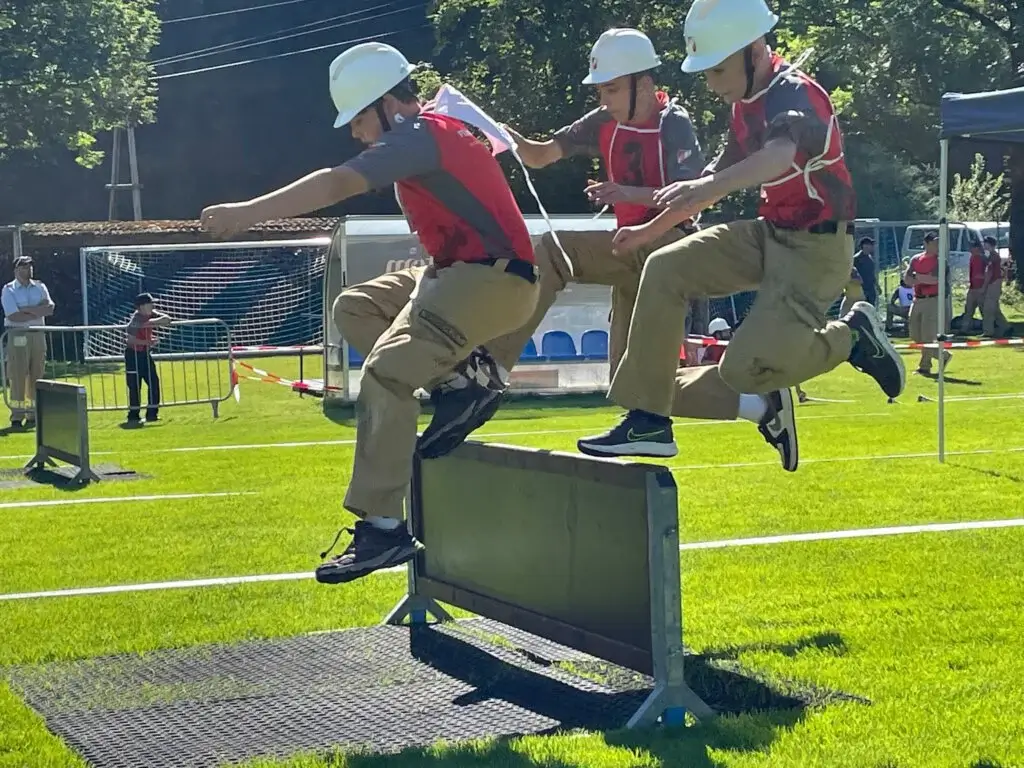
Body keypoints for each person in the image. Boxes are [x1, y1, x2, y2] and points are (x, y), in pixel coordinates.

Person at [201, 42, 540, 584]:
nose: (357, 134)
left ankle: (384, 528)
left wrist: (248, 213)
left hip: (492, 280)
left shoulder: (420, 135)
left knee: (386, 373)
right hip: (462, 275)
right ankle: (463, 381)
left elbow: (337, 182)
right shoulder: (427, 134)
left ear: (387, 104)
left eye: (358, 119)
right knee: (355, 307)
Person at [334, 28, 707, 457]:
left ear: (646, 82)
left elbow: (695, 196)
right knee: (627, 376)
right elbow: (540, 155)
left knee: (553, 252)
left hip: (671, 243)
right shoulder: (603, 120)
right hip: (629, 246)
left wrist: (629, 197)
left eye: (612, 89)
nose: (604, 100)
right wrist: (499, 132)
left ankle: (488, 372)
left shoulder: (673, 123)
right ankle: (711, 412)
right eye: (600, 90)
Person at [577, 0, 905, 472]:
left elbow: (777, 157)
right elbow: (714, 177)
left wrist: (705, 187)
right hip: (770, 233)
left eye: (718, 70)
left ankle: (853, 337)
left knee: (741, 369)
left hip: (817, 248)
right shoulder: (744, 104)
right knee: (664, 266)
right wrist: (649, 229)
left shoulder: (795, 93)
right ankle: (648, 422)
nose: (712, 84)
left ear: (754, 51)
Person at [1, 256, 55, 429]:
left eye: (30, 266)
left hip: (38, 334)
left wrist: (25, 309)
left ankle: (33, 413)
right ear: (16, 270)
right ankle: (17, 415)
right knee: (17, 373)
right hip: (18, 334)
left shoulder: (40, 286)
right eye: (24, 266)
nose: (28, 269)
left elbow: (50, 309)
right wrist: (37, 310)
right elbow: (13, 315)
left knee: (37, 373)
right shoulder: (9, 289)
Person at [904, 232, 951, 374]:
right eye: (935, 243)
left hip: (933, 300)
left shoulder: (940, 261)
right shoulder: (915, 259)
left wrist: (917, 277)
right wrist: (920, 278)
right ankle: (943, 355)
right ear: (926, 243)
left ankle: (925, 367)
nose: (938, 246)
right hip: (917, 299)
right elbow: (907, 280)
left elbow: (934, 280)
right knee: (915, 335)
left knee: (927, 336)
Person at [124, 293, 172, 425]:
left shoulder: (151, 314)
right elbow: (130, 340)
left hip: (144, 354)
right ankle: (133, 415)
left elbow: (167, 319)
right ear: (141, 306)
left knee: (153, 382)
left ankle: (152, 414)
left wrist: (151, 322)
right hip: (133, 355)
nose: (152, 305)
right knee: (135, 386)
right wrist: (147, 342)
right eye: (150, 303)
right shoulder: (135, 320)